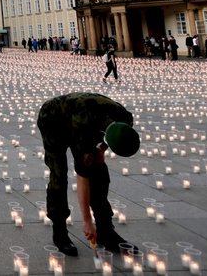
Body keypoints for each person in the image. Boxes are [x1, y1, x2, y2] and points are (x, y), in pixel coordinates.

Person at [37, 92, 140, 257]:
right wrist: (86, 221)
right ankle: (59, 231)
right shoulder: (84, 127)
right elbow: (82, 176)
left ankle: (106, 232)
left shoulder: (125, 118)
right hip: (53, 119)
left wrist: (101, 149)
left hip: (85, 117)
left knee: (100, 173)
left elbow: (108, 138)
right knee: (59, 174)